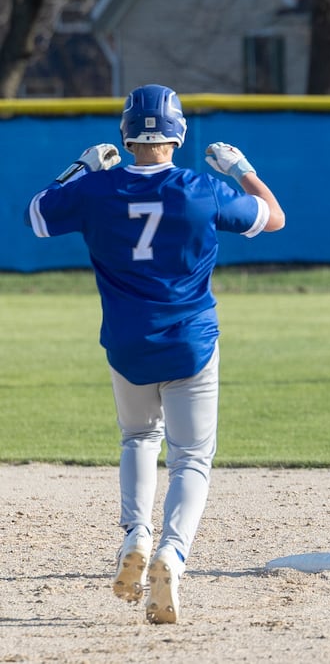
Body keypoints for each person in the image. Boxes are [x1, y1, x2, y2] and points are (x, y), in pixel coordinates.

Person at [25, 84, 286, 622]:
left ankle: (135, 538)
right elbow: (273, 217)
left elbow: (35, 216)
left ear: (126, 132)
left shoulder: (96, 189)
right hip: (190, 340)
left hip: (126, 341)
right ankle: (173, 551)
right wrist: (242, 169)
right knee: (191, 456)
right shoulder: (200, 188)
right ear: (179, 132)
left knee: (139, 437)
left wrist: (78, 167)